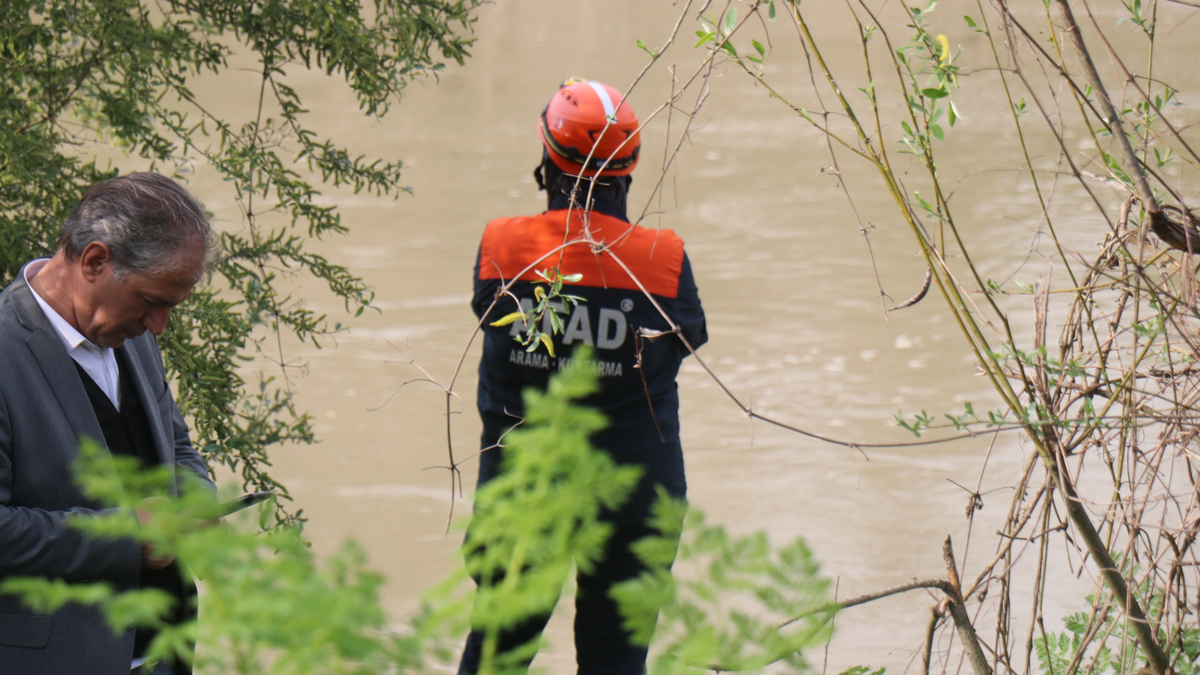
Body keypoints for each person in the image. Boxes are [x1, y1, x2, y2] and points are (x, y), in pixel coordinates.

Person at [460, 79, 708, 675]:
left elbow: (488, 313)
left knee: (497, 653)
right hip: (635, 493)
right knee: (616, 662)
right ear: (631, 168)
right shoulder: (663, 260)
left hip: (526, 489)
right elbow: (685, 338)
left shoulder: (503, 245)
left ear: (548, 158)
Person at [0, 172, 217, 675]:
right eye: (153, 301)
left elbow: (176, 445)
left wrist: (198, 496)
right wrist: (123, 538)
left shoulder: (127, 327)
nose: (159, 326)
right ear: (95, 260)